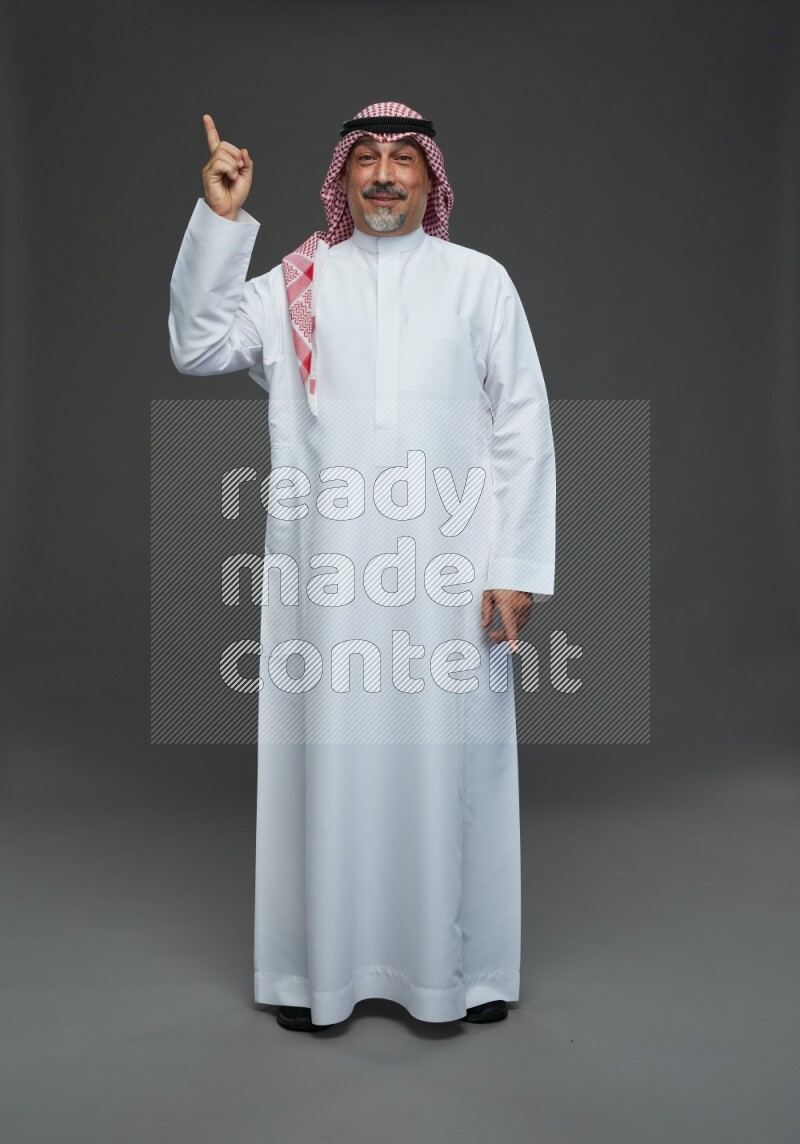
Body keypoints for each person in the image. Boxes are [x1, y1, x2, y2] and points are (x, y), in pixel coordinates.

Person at [168, 101, 556, 1032]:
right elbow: (198, 344)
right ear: (342, 178)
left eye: (402, 158)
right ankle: (317, 976)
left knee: (452, 768)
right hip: (328, 582)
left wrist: (516, 566)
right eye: (367, 160)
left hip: (450, 581)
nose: (384, 175)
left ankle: (461, 976)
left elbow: (524, 426)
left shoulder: (479, 283)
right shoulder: (299, 281)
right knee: (328, 761)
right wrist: (220, 220)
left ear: (430, 177)